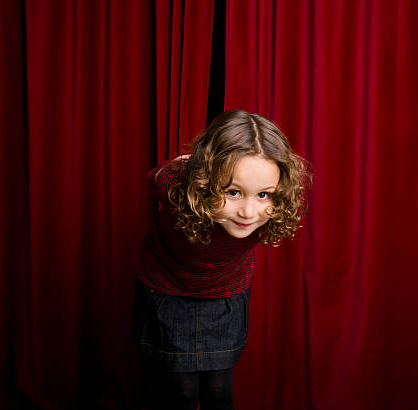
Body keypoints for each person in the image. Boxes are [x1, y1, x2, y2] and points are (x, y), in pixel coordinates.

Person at [131, 109, 309, 410]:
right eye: (233, 192)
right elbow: (156, 177)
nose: (249, 213)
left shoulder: (275, 208)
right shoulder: (179, 190)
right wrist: (179, 167)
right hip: (168, 292)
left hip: (225, 293)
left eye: (264, 194)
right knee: (181, 390)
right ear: (204, 181)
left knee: (218, 388)